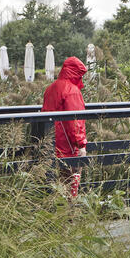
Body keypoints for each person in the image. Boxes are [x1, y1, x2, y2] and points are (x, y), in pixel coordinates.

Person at [41, 56, 88, 198]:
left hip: (52, 141)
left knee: (55, 180)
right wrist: (81, 145)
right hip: (67, 144)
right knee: (72, 177)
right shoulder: (72, 91)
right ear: (76, 73)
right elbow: (75, 121)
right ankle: (70, 211)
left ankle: (55, 210)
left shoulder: (51, 88)